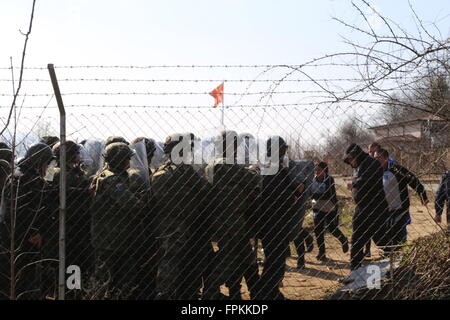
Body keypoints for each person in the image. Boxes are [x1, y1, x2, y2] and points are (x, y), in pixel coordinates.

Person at [152, 133, 212, 300]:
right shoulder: (189, 173)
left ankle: (164, 294)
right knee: (183, 262)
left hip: (165, 225)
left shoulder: (159, 173)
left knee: (168, 261)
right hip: (186, 225)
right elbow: (205, 194)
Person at [204, 130, 260, 300]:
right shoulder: (223, 165)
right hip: (229, 220)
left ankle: (254, 291)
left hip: (228, 218)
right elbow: (251, 179)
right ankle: (211, 291)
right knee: (229, 257)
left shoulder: (215, 164)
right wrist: (255, 170)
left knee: (245, 256)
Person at [0, 143, 56, 299]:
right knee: (27, 286)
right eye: (46, 164)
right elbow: (22, 212)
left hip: (12, 241)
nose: (47, 168)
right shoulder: (31, 182)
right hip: (26, 243)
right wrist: (34, 233)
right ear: (40, 162)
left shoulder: (18, 176)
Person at [90, 142, 146, 299]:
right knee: (111, 281)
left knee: (111, 280)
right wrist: (141, 200)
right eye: (127, 158)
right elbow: (133, 205)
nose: (130, 161)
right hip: (112, 240)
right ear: (121, 160)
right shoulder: (111, 180)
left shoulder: (107, 175)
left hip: (112, 239)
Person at [252, 136, 300, 300]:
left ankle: (270, 293)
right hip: (274, 223)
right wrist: (294, 195)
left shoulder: (269, 165)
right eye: (283, 148)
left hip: (270, 222)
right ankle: (264, 294)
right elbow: (277, 195)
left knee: (275, 260)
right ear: (277, 149)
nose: (285, 151)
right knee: (276, 262)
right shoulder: (272, 166)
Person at [49, 141, 93, 299]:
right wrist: (85, 191)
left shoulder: (69, 172)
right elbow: (64, 192)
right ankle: (70, 294)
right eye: (76, 153)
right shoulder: (60, 173)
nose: (79, 156)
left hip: (74, 228)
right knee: (72, 265)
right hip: (71, 229)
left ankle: (71, 293)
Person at [343, 144, 390, 270]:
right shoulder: (358, 166)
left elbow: (367, 179)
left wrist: (353, 184)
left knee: (379, 237)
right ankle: (355, 267)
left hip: (375, 207)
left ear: (356, 156)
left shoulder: (371, 163)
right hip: (362, 207)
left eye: (351, 159)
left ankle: (394, 256)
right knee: (357, 237)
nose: (350, 162)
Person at [374, 149, 428, 248]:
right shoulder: (375, 172)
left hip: (400, 207)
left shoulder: (396, 169)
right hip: (384, 209)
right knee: (383, 233)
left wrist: (423, 195)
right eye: (375, 158)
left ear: (386, 158)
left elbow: (413, 180)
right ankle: (389, 252)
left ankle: (399, 252)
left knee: (398, 232)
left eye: (379, 158)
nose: (376, 160)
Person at [310, 162, 348, 261]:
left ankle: (343, 240)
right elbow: (309, 192)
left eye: (318, 170)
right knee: (318, 230)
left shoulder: (329, 179)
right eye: (315, 169)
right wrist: (314, 195)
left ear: (324, 170)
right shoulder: (312, 179)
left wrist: (314, 195)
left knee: (332, 229)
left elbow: (327, 195)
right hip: (317, 207)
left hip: (330, 207)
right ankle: (321, 253)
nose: (316, 171)